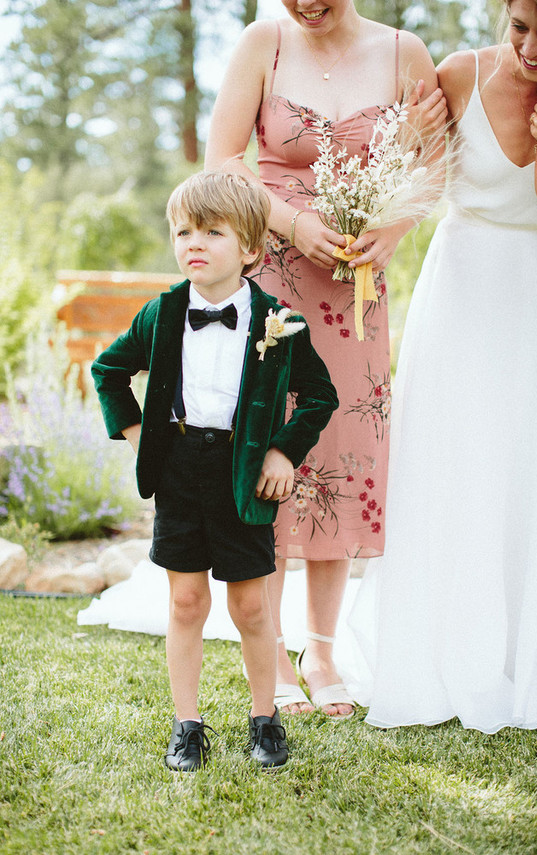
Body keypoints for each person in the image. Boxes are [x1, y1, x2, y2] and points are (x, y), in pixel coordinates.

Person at [204, 0, 446, 718]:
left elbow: (433, 161)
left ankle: (323, 646)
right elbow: (222, 159)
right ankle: (271, 644)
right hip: (273, 278)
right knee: (277, 453)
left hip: (356, 289)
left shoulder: (405, 52)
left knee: (340, 454)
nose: (306, 2)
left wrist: (394, 231)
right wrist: (293, 222)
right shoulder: (262, 44)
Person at [348, 0, 537, 733]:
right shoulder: (458, 72)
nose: (531, 46)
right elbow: (422, 179)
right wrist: (392, 196)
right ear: (501, 17)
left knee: (523, 454)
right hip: (463, 282)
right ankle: (437, 639)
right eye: (520, 27)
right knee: (450, 452)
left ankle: (516, 646)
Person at [91, 171, 338, 771]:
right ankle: (187, 724)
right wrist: (136, 435)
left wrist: (282, 451)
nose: (192, 242)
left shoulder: (278, 321)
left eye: (211, 231)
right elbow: (108, 371)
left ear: (250, 249)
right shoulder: (162, 313)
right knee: (184, 601)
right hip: (179, 469)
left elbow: (320, 396)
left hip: (244, 472)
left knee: (251, 605)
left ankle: (264, 717)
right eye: (183, 231)